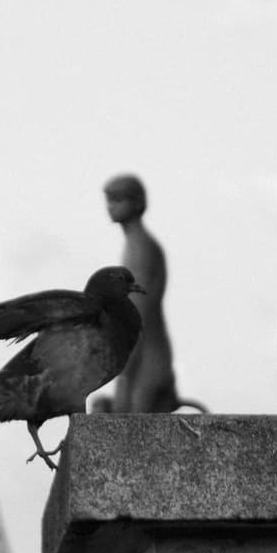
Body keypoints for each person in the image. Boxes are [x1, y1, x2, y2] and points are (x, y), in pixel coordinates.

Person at [103, 174, 183, 410]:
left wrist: (124, 374)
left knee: (133, 436)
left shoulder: (140, 248)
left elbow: (138, 313)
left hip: (146, 363)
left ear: (137, 202)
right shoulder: (134, 244)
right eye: (109, 199)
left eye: (118, 199)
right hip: (143, 359)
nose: (111, 206)